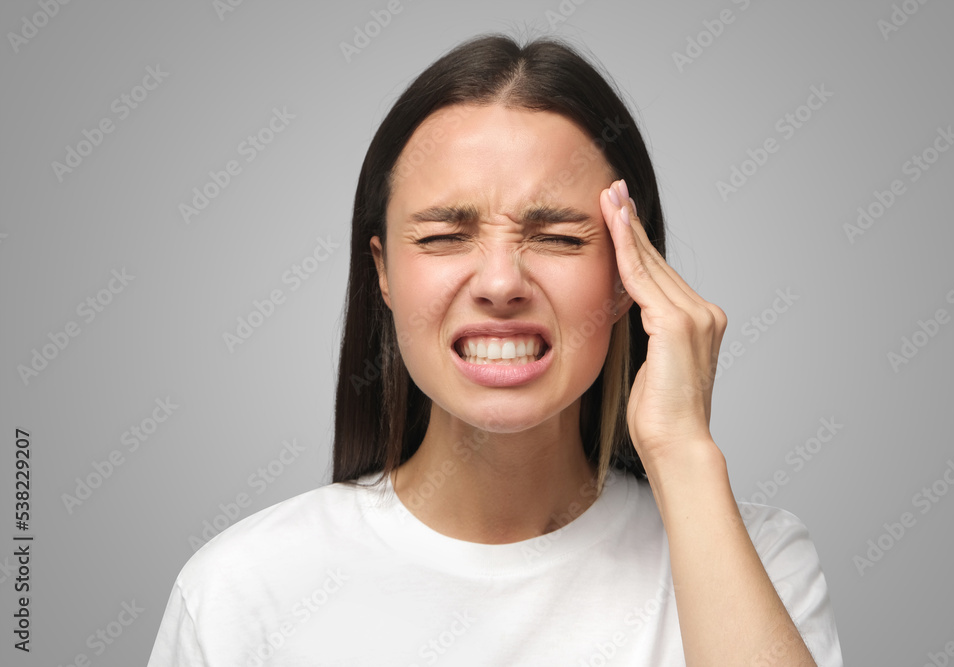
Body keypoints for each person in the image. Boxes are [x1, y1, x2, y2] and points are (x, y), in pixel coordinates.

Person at [148, 33, 843, 666]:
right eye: (445, 236)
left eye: (561, 237)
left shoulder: (755, 561)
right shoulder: (241, 591)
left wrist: (684, 450)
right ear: (383, 271)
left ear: (633, 274)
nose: (502, 282)